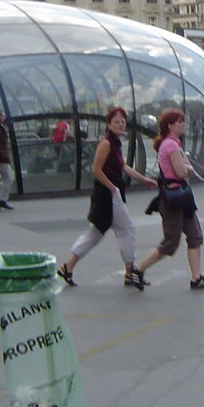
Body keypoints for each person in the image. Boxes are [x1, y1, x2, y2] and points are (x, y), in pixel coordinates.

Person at [57, 107, 157, 289]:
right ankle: (130, 273)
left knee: (95, 233)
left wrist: (144, 179)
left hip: (109, 194)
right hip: (108, 195)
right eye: (117, 121)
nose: (121, 124)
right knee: (127, 230)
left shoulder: (115, 143)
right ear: (109, 124)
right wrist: (112, 187)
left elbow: (123, 166)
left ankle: (67, 267)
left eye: (123, 121)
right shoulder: (106, 143)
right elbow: (96, 169)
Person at [134, 110, 204, 290]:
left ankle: (196, 277)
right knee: (171, 241)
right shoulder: (170, 146)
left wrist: (185, 165)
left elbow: (184, 167)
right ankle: (138, 269)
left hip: (182, 196)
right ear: (170, 125)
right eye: (180, 122)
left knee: (194, 236)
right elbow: (181, 172)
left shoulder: (174, 144)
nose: (183, 124)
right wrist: (187, 167)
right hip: (173, 197)